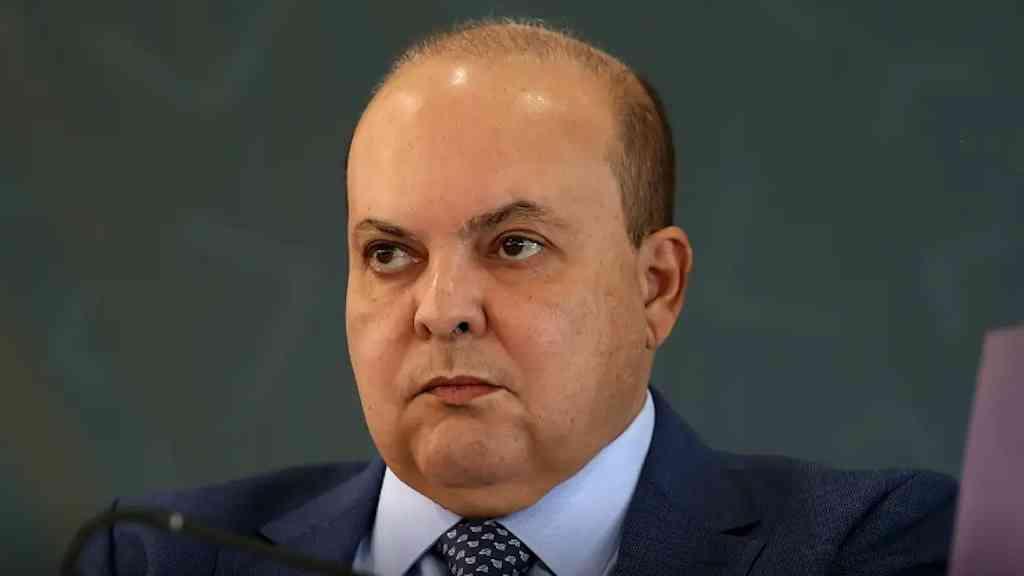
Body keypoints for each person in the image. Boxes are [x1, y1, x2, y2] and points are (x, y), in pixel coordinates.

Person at [75, 19, 956, 576]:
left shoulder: (874, 546)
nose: (441, 309)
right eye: (390, 253)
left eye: (515, 245)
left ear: (656, 286)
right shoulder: (154, 558)